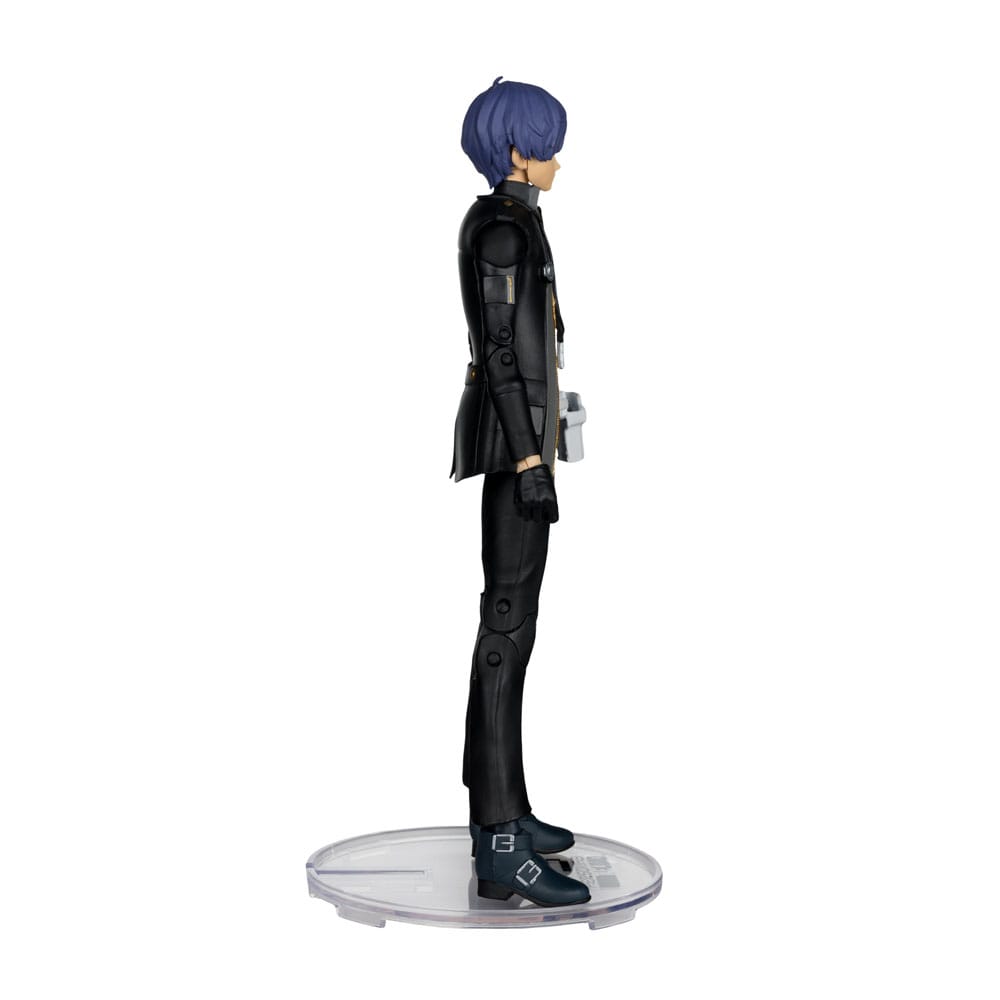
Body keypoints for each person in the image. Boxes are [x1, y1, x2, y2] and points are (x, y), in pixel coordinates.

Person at [451, 78, 590, 907]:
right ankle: (499, 842)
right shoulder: (502, 230)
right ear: (515, 149)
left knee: (513, 628)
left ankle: (504, 813)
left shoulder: (516, 222)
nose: (556, 161)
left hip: (525, 446)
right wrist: (531, 462)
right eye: (546, 146)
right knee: (505, 630)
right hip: (514, 454)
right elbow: (502, 355)